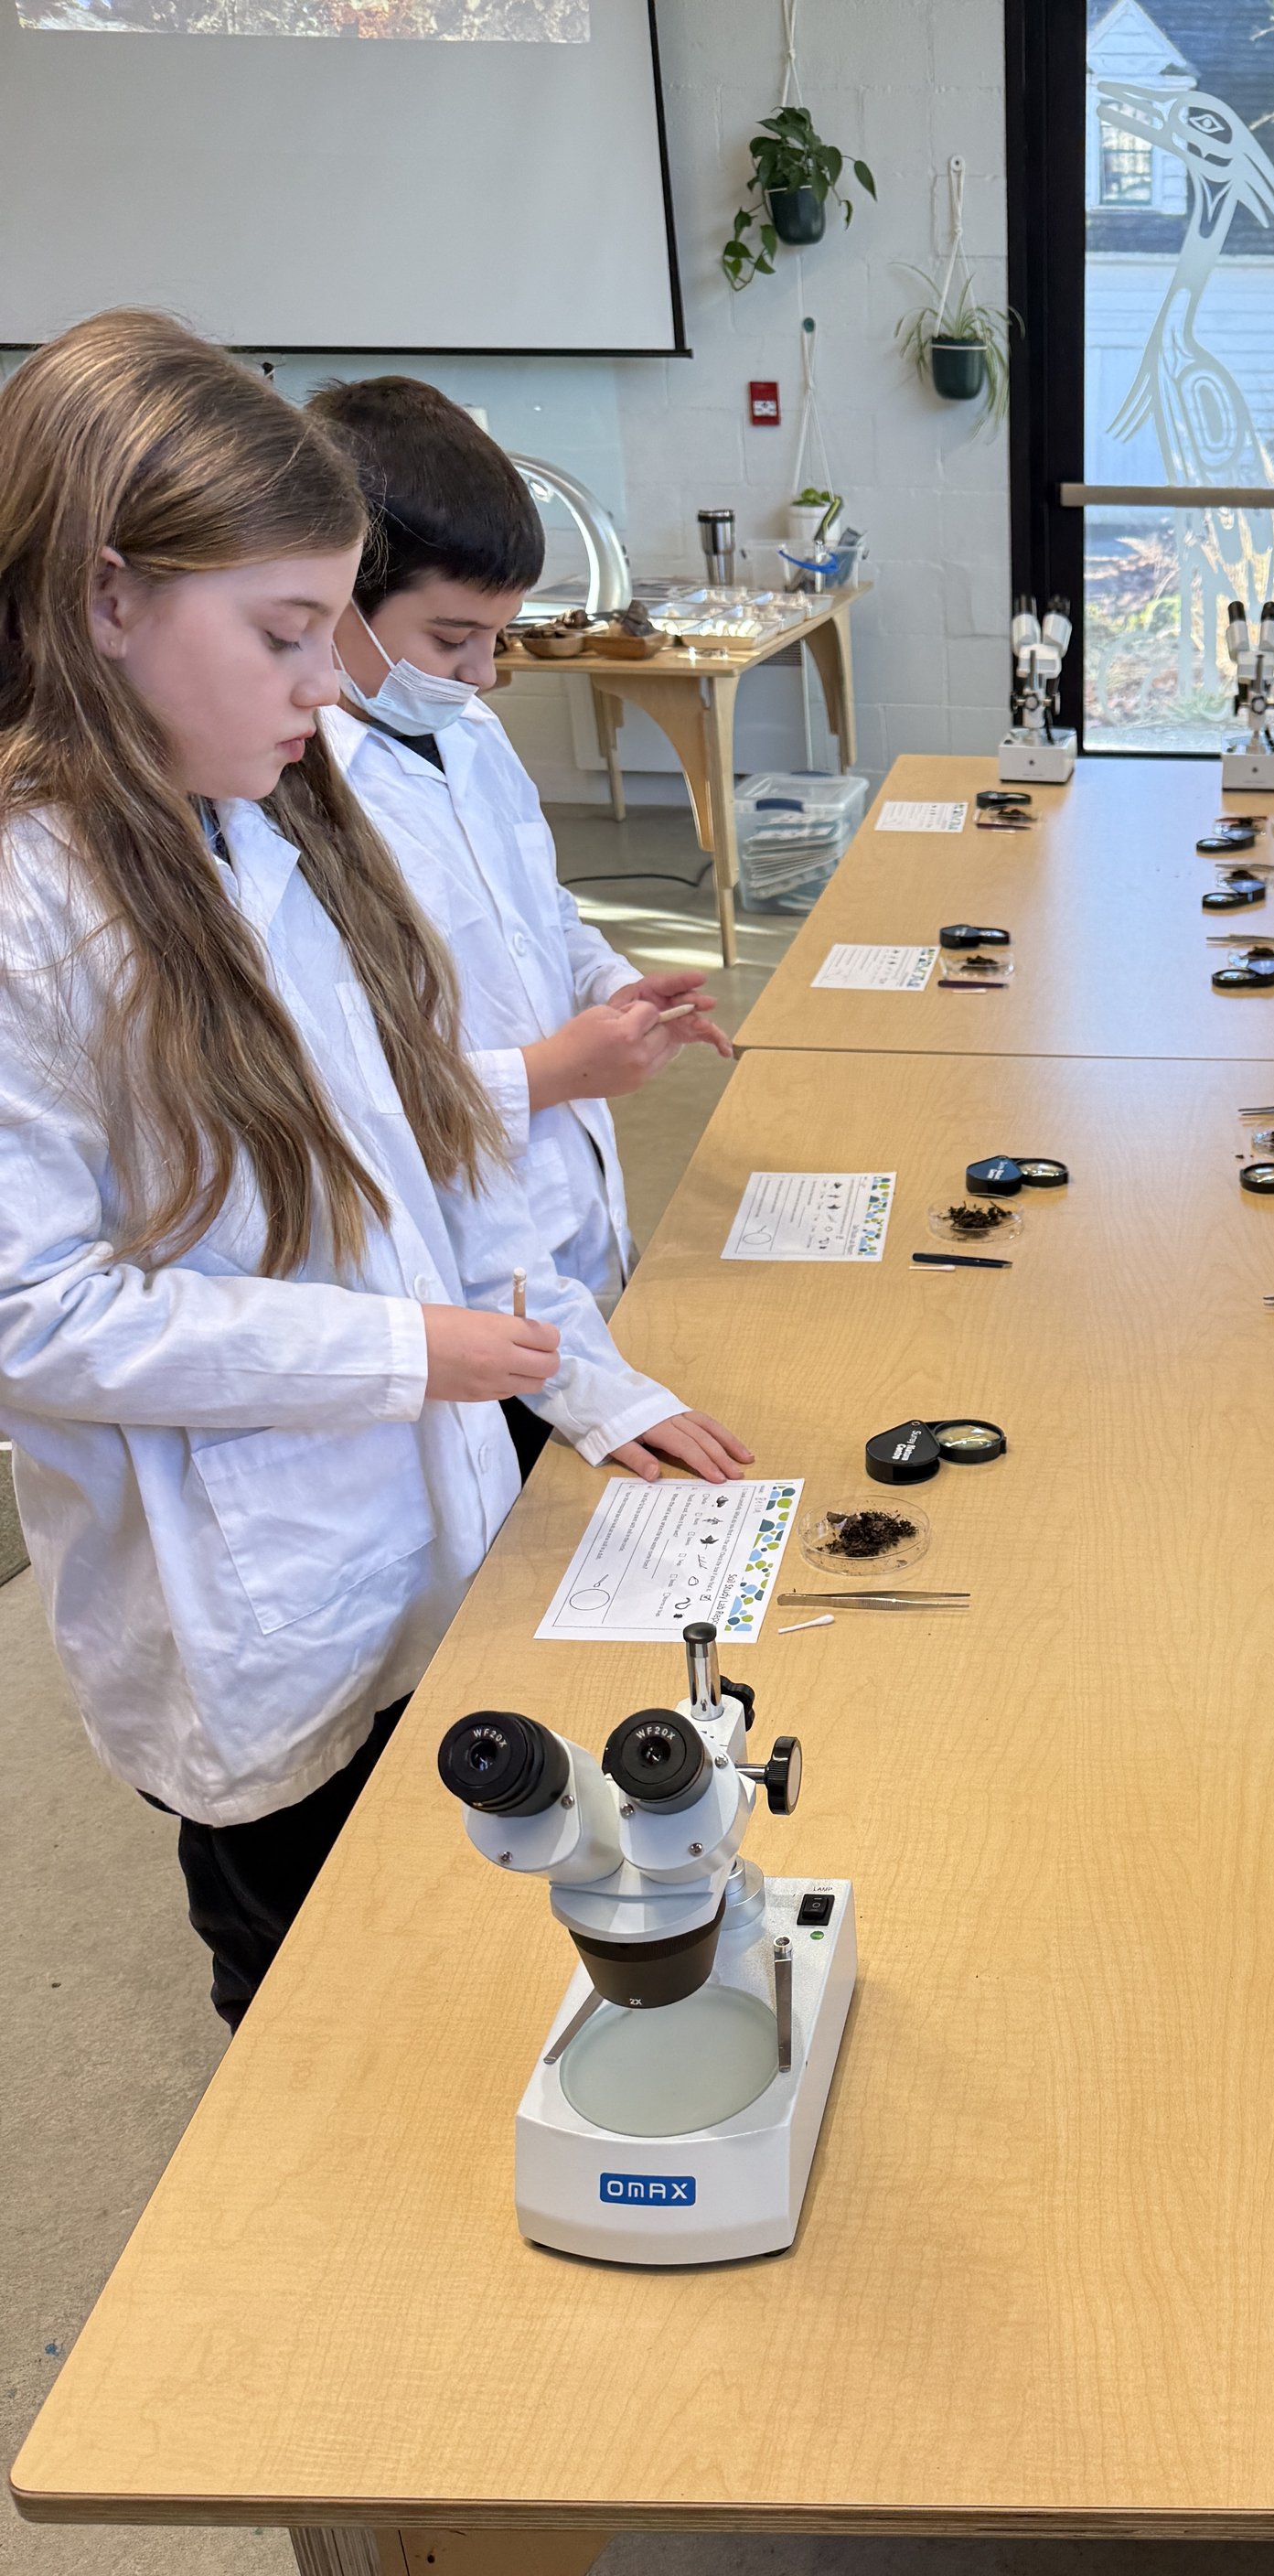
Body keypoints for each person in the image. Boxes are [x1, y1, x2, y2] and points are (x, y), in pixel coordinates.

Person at [0, 313, 723, 2027]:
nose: (329, 685)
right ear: (107, 600)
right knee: (302, 1982)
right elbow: (34, 1313)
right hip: (252, 1591)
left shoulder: (260, 820)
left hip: (417, 1520)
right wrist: (402, 1351)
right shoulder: (33, 905)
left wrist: (566, 1368)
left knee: (447, 1913)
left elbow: (425, 1152)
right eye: (284, 634)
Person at [305, 374, 741, 1480]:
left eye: (497, 637)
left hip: (558, 1206)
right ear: (332, 597)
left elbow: (539, 908)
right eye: (452, 637)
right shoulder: (303, 800)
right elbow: (360, 1100)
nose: (483, 673)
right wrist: (550, 1073)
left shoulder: (470, 735)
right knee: (526, 1474)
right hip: (462, 1274)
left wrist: (607, 985)